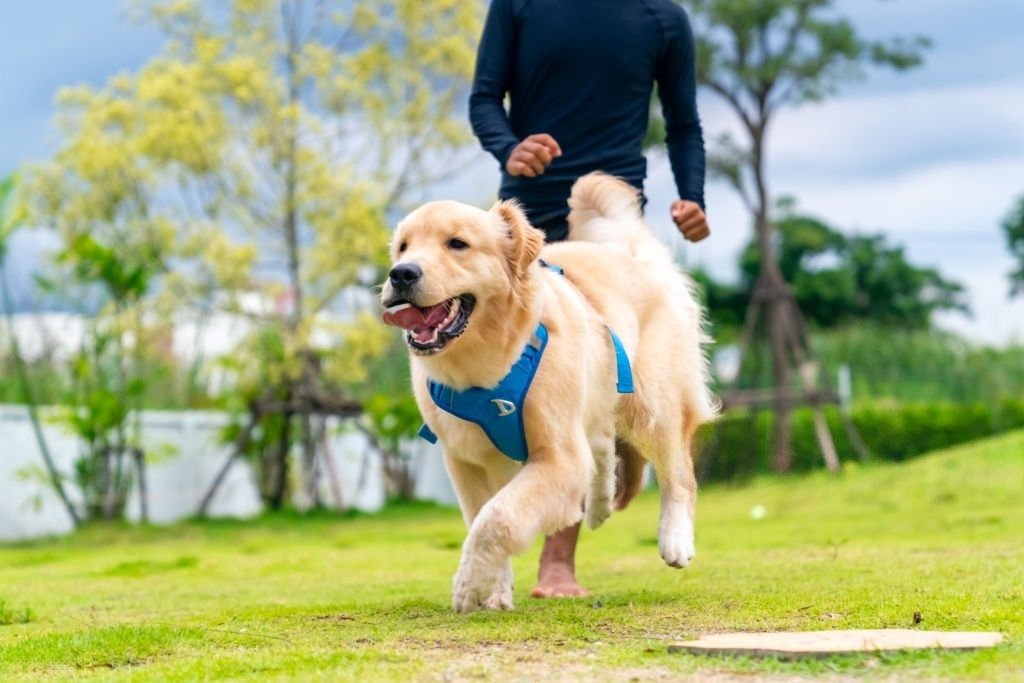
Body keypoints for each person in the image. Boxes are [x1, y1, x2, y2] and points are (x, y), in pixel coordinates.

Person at [469, 0, 711, 598]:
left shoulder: (662, 19)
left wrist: (692, 195)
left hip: (610, 223)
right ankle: (601, 457)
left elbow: (683, 123)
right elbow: (483, 99)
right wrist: (510, 147)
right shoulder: (520, 6)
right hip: (524, 225)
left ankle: (558, 565)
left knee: (582, 387)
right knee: (527, 384)